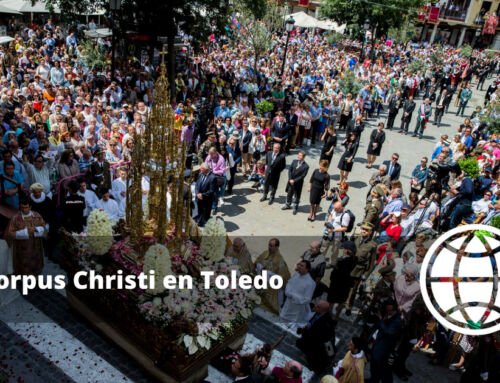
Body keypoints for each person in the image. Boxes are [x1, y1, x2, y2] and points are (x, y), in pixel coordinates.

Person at [6, 198, 46, 275]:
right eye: (22, 207)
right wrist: (24, 232)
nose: (24, 209)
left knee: (36, 265)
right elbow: (10, 233)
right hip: (22, 248)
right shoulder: (15, 218)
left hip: (35, 246)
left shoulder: (37, 215)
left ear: (30, 207)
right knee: (23, 266)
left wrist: (36, 229)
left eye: (26, 207)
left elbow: (44, 227)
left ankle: (35, 279)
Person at [296, 300, 336, 375]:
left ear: (322, 310)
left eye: (317, 306)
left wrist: (304, 331)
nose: (315, 307)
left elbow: (323, 339)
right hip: (311, 337)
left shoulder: (326, 323)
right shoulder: (319, 313)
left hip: (317, 344)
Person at [369, 299, 403, 383]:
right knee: (374, 366)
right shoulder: (387, 314)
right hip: (378, 344)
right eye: (387, 309)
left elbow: (388, 332)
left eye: (389, 310)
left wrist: (381, 320)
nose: (387, 311)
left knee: (384, 372)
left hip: (384, 349)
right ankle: (373, 380)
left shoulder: (397, 321)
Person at [254, 238, 291, 314]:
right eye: (269, 245)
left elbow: (283, 278)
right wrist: (260, 268)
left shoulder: (280, 260)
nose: (269, 247)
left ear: (277, 247)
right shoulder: (265, 253)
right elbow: (257, 261)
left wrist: (269, 274)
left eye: (271, 246)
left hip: (272, 288)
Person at [280, 260, 316, 325]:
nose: (299, 267)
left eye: (302, 266)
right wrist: (287, 292)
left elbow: (307, 299)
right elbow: (289, 283)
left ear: (307, 269)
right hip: (288, 304)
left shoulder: (310, 283)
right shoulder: (296, 274)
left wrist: (293, 296)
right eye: (299, 265)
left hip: (297, 310)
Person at [327, 240, 356, 319]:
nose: (343, 250)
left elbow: (340, 271)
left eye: (344, 249)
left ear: (347, 250)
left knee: (331, 301)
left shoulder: (344, 260)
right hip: (345, 285)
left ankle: (328, 316)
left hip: (337, 283)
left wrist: (336, 266)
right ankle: (336, 317)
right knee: (341, 301)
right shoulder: (354, 260)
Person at [282, 151, 309, 215]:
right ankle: (287, 204)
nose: (298, 156)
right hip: (291, 181)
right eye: (298, 155)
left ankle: (295, 206)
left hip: (298, 183)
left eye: (300, 156)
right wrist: (290, 179)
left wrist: (294, 181)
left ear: (304, 157)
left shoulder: (306, 166)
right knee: (289, 193)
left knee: (297, 195)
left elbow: (302, 176)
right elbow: (290, 170)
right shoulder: (294, 161)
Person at [324, 202, 350, 266]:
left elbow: (345, 228)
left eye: (336, 209)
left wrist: (334, 230)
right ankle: (320, 260)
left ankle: (332, 263)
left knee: (335, 250)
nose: (334, 210)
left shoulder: (345, 216)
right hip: (329, 234)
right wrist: (329, 222)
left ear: (341, 207)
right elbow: (331, 214)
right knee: (324, 247)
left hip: (337, 236)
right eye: (334, 208)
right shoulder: (334, 209)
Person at [194, 163, 217, 227]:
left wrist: (202, 195)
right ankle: (199, 222)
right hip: (199, 198)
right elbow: (197, 185)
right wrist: (197, 193)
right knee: (199, 212)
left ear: (205, 169)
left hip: (206, 200)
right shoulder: (200, 174)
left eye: (201, 169)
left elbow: (212, 191)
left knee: (205, 214)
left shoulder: (213, 178)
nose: (200, 170)